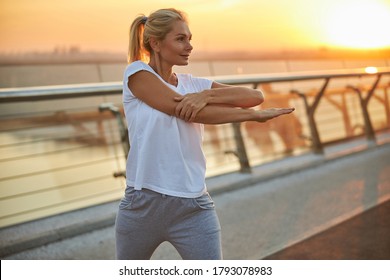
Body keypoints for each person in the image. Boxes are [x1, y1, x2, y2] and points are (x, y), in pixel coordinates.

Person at [115, 8, 294, 260]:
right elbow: (186, 111)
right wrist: (251, 116)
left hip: (193, 206)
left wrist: (206, 95)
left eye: (189, 38)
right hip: (143, 204)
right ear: (155, 43)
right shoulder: (136, 74)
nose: (189, 46)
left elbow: (255, 96)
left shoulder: (194, 85)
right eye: (180, 39)